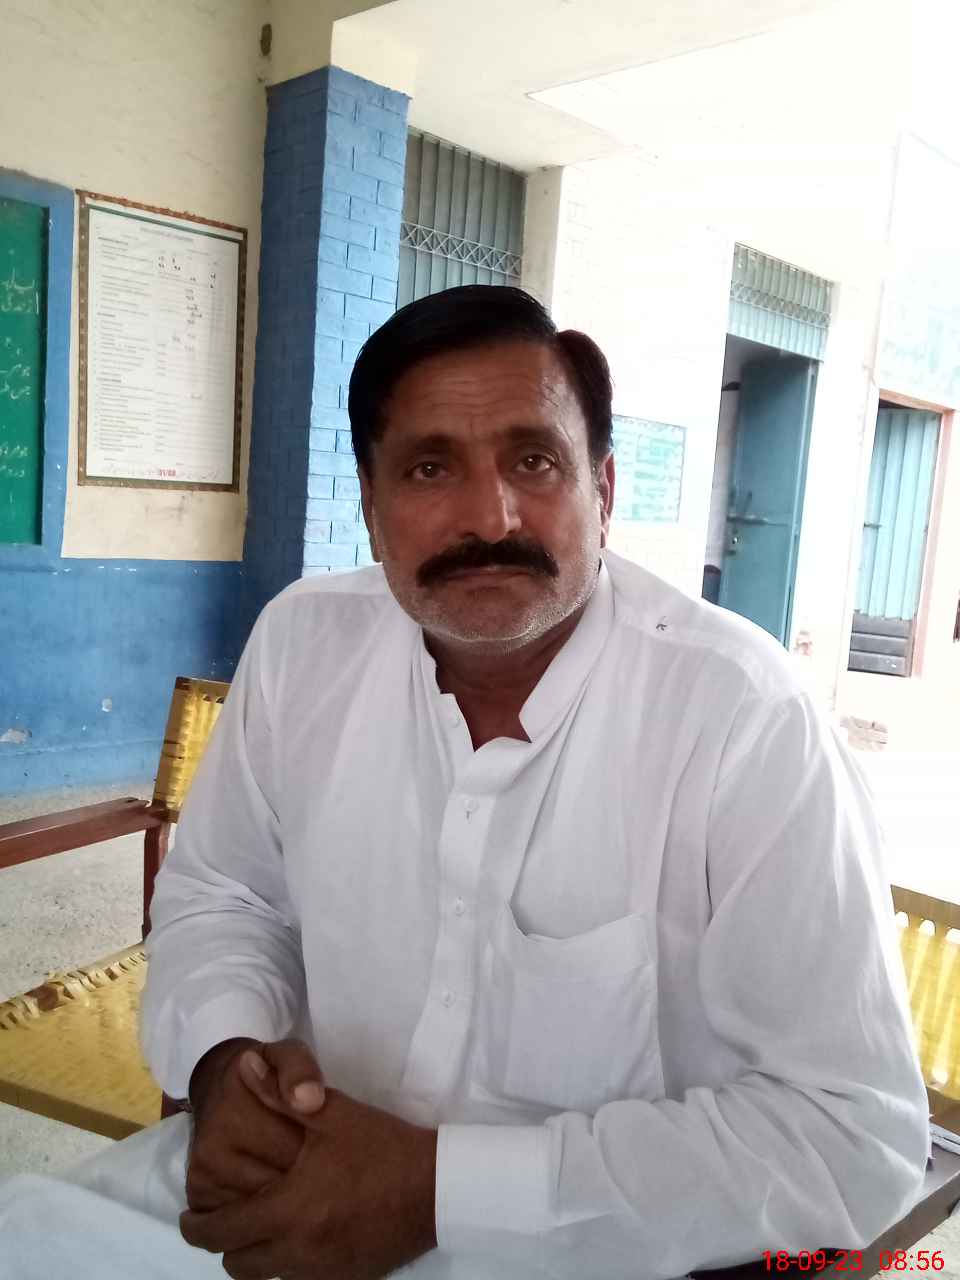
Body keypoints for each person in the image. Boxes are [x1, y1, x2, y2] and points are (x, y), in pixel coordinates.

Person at [0, 285, 928, 1280]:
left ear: (603, 492)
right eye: (429, 467)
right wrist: (226, 1058)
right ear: (371, 510)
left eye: (534, 461)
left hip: (590, 1254)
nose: (490, 517)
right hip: (284, 1187)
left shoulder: (746, 719)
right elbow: (226, 894)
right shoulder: (304, 646)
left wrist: (437, 1189)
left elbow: (852, 1136)